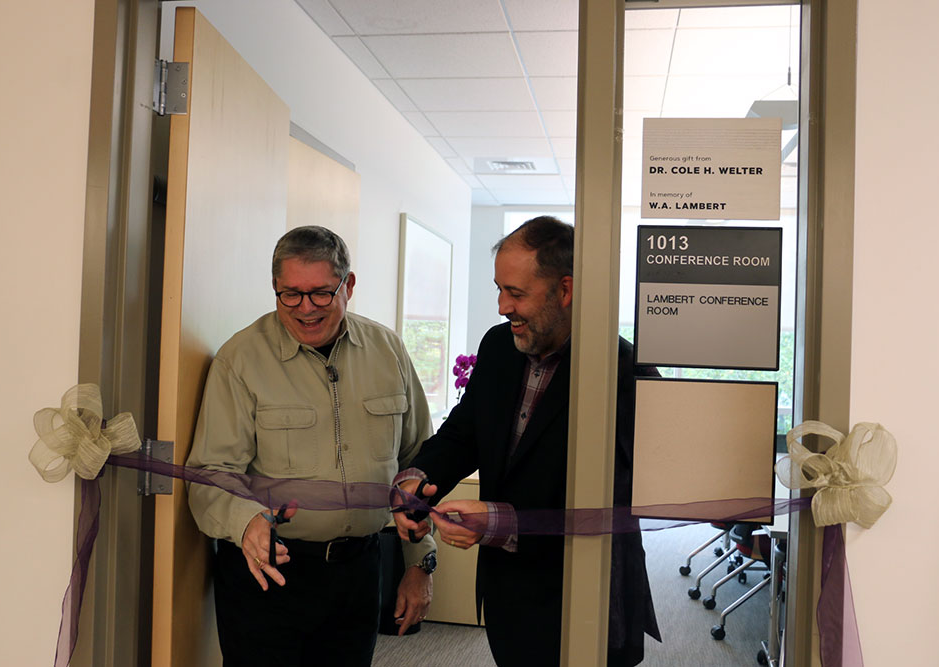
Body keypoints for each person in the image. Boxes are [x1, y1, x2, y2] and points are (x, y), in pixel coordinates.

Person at [393, 216, 660, 666]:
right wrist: (419, 479)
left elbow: (621, 502)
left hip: (587, 603)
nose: (501, 306)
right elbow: (465, 432)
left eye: (516, 293)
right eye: (499, 289)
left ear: (566, 290)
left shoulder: (627, 374)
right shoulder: (499, 347)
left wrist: (500, 521)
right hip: (508, 599)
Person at [187, 226, 437, 666]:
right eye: (291, 294)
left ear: (349, 286)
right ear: (275, 288)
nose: (305, 309)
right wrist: (245, 523)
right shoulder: (240, 359)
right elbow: (210, 473)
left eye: (321, 293)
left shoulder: (389, 352)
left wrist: (420, 563)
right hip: (268, 577)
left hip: (358, 573)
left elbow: (418, 465)